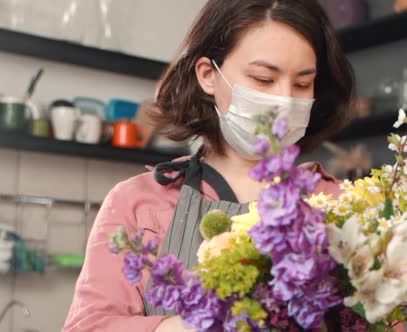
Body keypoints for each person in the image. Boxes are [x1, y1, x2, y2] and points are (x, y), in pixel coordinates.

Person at [63, 0, 356, 331]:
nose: (284, 101)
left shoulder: (339, 204)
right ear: (207, 76)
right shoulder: (137, 203)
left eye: (302, 84)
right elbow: (88, 326)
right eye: (263, 79)